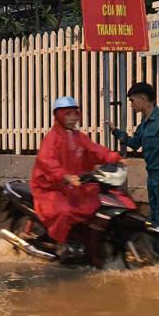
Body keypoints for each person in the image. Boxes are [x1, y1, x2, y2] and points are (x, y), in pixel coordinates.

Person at [31, 96, 121, 258]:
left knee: (94, 199)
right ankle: (60, 242)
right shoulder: (51, 138)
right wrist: (64, 176)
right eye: (67, 114)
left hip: (74, 184)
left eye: (74, 114)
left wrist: (113, 157)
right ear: (59, 116)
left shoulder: (78, 136)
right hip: (51, 186)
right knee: (65, 211)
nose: (72, 118)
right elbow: (47, 161)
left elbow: (94, 149)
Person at [110, 82, 159, 246]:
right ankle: (157, 253)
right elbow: (135, 143)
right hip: (152, 176)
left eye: (132, 101)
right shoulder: (144, 124)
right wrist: (116, 131)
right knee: (154, 218)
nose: (131, 105)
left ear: (143, 99)